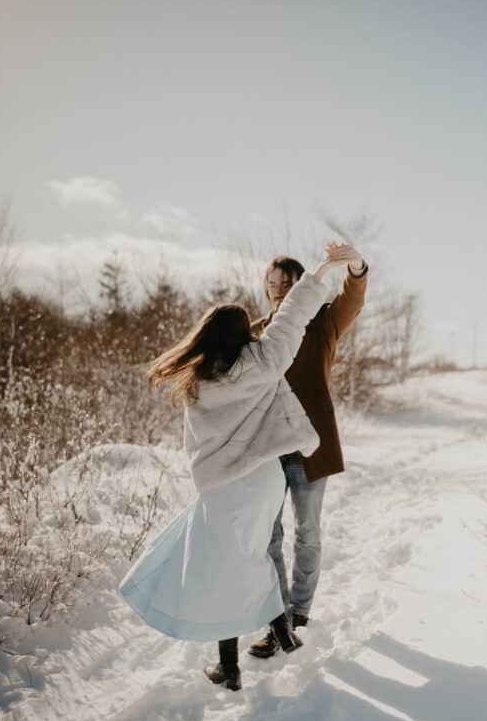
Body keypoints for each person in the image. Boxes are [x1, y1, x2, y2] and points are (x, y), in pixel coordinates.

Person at [119, 244, 351, 691]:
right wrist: (321, 270)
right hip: (264, 478)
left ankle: (230, 667)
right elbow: (292, 317)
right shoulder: (263, 362)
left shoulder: (196, 381)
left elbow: (195, 444)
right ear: (244, 333)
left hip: (223, 487)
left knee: (226, 565)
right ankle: (283, 633)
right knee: (252, 555)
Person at [249, 242, 368, 659]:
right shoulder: (257, 332)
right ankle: (277, 619)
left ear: (303, 286)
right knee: (268, 536)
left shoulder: (322, 323)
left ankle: (299, 612)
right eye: (272, 283)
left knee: (307, 533)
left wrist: (354, 266)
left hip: (310, 447)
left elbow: (352, 299)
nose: (279, 289)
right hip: (267, 450)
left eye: (288, 283)